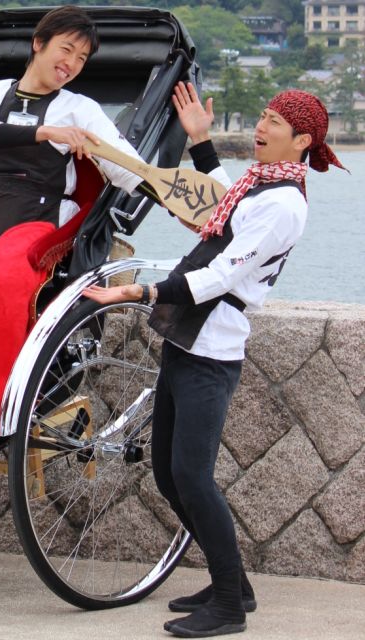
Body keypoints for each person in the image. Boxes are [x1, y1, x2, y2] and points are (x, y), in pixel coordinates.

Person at [82, 83, 347, 638]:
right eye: (265, 116)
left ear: (301, 141)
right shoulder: (260, 185)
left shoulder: (284, 203)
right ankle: (236, 585)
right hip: (186, 342)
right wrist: (202, 143)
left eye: (275, 121)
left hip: (214, 349)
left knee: (193, 477)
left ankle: (229, 604)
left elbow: (222, 274)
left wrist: (142, 293)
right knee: (167, 473)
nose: (262, 125)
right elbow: (224, 203)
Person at [0, 4, 143, 245]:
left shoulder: (80, 108)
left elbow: (125, 166)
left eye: (81, 58)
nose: (71, 63)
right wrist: (46, 132)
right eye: (66, 49)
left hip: (45, 235)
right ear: (38, 43)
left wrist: (174, 198)